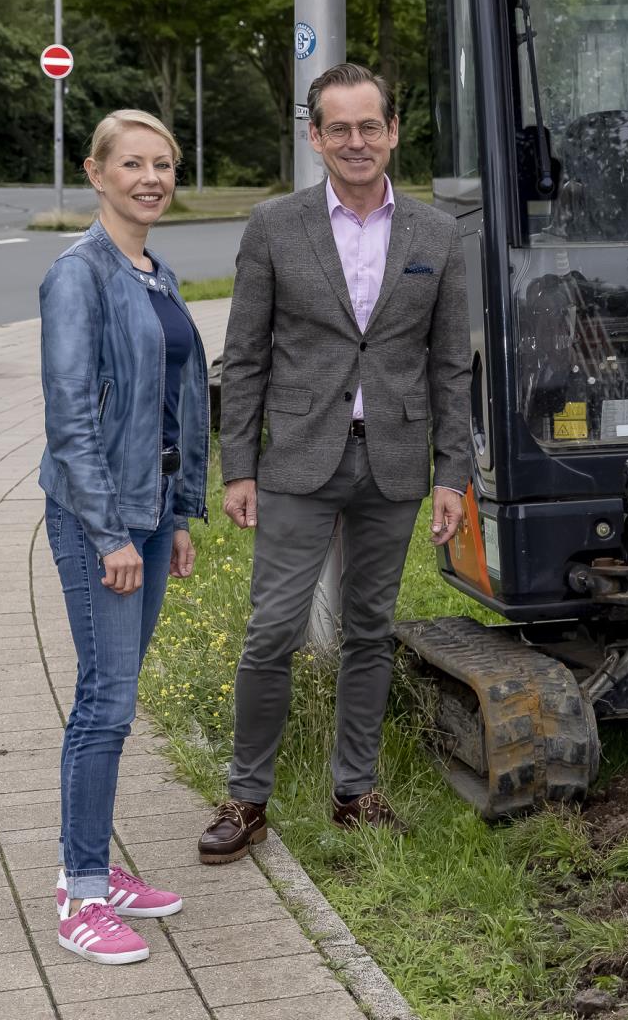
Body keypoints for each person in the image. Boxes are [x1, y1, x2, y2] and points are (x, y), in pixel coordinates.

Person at [201, 62, 468, 862]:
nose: (357, 142)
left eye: (370, 126)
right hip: (297, 461)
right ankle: (246, 798)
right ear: (315, 137)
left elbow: (450, 365)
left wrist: (451, 472)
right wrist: (238, 466)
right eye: (339, 129)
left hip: (392, 461)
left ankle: (356, 792)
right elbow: (243, 357)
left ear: (392, 131)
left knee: (370, 630)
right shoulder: (274, 226)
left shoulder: (436, 235)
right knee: (272, 630)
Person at [38, 109, 206, 964]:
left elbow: (169, 411)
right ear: (96, 173)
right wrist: (111, 535)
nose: (151, 178)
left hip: (146, 512)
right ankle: (82, 893)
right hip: (95, 517)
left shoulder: (153, 271)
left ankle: (91, 868)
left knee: (115, 696)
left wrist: (174, 519)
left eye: (165, 165)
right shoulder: (80, 275)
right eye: (133, 164)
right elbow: (71, 423)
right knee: (106, 703)